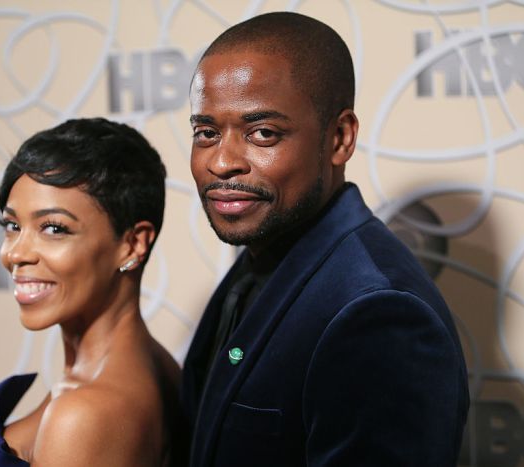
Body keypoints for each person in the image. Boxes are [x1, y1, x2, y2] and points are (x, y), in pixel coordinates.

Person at [182, 11, 469, 466]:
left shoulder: (378, 312)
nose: (222, 162)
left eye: (262, 133)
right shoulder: (264, 255)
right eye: (206, 132)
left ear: (339, 138)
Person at [0, 118, 185, 467]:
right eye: (12, 226)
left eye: (54, 228)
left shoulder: (84, 415)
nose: (15, 254)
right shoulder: (147, 365)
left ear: (133, 244)